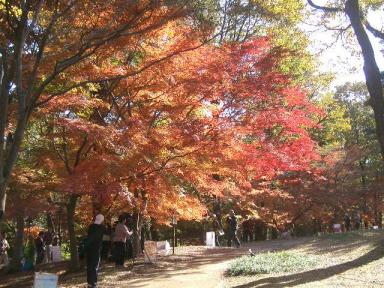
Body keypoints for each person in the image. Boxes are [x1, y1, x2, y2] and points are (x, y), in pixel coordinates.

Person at [86, 214, 104, 288]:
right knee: (94, 266)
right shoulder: (101, 228)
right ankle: (93, 283)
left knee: (89, 266)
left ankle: (89, 283)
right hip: (96, 249)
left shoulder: (91, 226)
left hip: (89, 248)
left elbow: (89, 237)